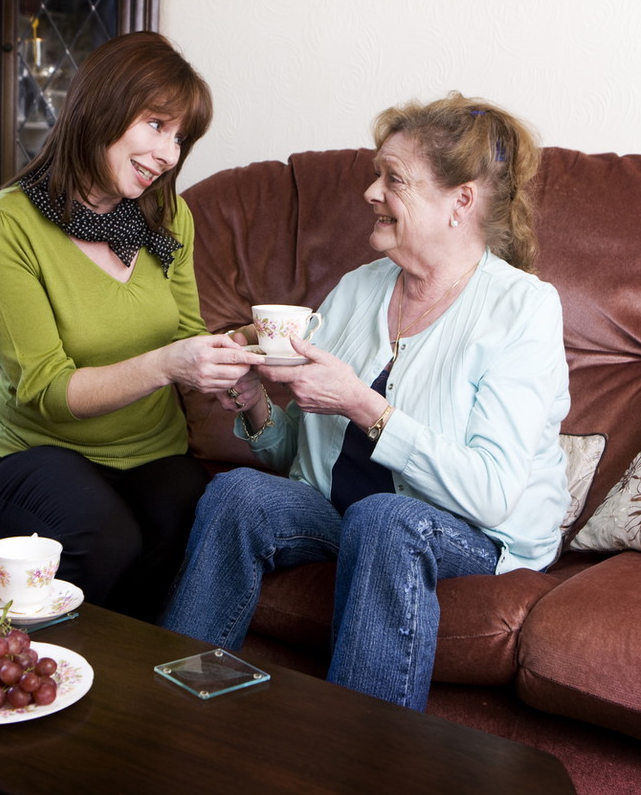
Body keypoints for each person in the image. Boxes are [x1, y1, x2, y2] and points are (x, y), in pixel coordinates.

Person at [160, 92, 571, 710]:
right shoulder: (359, 288)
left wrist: (364, 406)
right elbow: (304, 460)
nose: (370, 192)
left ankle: (358, 758)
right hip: (344, 513)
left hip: (474, 532)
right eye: (377, 174)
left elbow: (491, 492)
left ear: (461, 201)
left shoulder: (522, 309)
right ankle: (174, 712)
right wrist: (253, 403)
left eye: (393, 179)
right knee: (236, 494)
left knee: (387, 519)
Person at [0, 32, 263, 622]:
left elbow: (184, 330)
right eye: (156, 125)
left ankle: (122, 691)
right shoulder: (4, 226)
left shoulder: (169, 214)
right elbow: (47, 392)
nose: (170, 154)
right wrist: (166, 365)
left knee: (187, 521)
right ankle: (25, 670)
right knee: (105, 538)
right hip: (41, 451)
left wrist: (236, 354)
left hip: (154, 451)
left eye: (180, 138)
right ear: (102, 107)